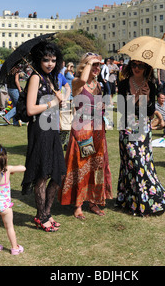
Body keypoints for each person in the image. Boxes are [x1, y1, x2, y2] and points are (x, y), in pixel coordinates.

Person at [59, 52, 113, 219]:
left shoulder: (97, 84)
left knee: (96, 165)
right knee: (81, 166)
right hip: (82, 128)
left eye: (99, 65)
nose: (97, 68)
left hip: (97, 128)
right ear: (85, 65)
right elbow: (82, 80)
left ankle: (94, 201)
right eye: (93, 64)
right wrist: (90, 62)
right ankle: (78, 204)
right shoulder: (77, 82)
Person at [116, 59, 165, 216]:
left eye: (140, 65)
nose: (136, 68)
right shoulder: (123, 84)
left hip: (143, 127)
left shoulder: (151, 86)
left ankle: (149, 200)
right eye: (134, 65)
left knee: (143, 162)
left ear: (146, 68)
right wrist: (136, 98)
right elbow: (121, 109)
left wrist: (146, 98)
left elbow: (150, 112)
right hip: (126, 126)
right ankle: (130, 200)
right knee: (132, 162)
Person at [22, 41, 65, 232]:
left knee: (58, 173)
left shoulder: (50, 78)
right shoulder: (35, 78)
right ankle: (42, 216)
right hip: (40, 130)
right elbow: (30, 109)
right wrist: (52, 103)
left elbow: (52, 104)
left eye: (53, 60)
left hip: (52, 129)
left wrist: (59, 102)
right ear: (39, 59)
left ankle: (47, 212)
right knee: (42, 174)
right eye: (46, 60)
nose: (50, 63)